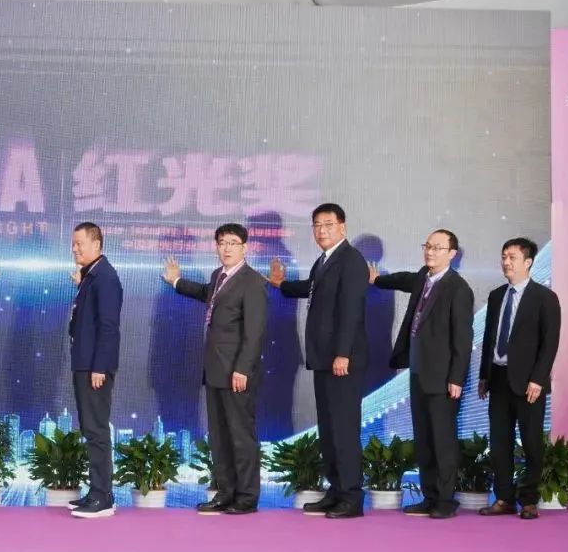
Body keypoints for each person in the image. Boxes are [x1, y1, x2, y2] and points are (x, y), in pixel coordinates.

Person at [268, 203, 368, 518]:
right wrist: (282, 285)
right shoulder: (325, 260)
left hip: (341, 361)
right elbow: (314, 290)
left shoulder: (351, 260)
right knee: (329, 428)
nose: (322, 230)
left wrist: (343, 353)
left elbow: (351, 310)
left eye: (328, 224)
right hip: (324, 359)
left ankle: (351, 497)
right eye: (317, 225)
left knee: (344, 429)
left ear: (342, 226)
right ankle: (335, 491)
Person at [369, 229, 473, 519]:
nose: (430, 251)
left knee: (443, 440)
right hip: (418, 373)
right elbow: (402, 279)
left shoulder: (458, 289)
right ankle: (429, 497)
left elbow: (463, 339)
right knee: (424, 439)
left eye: (437, 247)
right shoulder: (422, 278)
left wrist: (456, 378)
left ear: (452, 253)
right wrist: (377, 280)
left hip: (443, 378)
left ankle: (445, 501)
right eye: (427, 246)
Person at [163, 223, 267, 515]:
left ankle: (246, 497)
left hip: (237, 373)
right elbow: (206, 293)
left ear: (245, 247)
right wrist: (176, 281)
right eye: (222, 242)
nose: (226, 248)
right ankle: (225, 492)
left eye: (233, 243)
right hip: (215, 370)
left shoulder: (252, 282)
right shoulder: (218, 276)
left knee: (240, 436)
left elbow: (254, 332)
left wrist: (242, 369)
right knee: (219, 436)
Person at [478, 238, 561, 520]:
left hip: (529, 383)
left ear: (528, 262)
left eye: (512, 257)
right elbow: (489, 338)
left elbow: (549, 343)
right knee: (499, 442)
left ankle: (528, 500)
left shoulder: (545, 298)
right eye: (504, 256)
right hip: (498, 378)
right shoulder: (496, 296)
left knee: (531, 442)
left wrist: (538, 379)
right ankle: (504, 498)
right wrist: (484, 376)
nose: (506, 262)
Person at [68, 222, 123, 519]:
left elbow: (109, 327)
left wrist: (100, 365)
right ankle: (97, 491)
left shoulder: (105, 277)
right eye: (73, 244)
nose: (75, 249)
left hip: (94, 367)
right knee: (91, 430)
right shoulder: (91, 276)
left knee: (97, 430)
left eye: (80, 243)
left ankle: (102, 496)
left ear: (97, 244)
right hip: (85, 363)